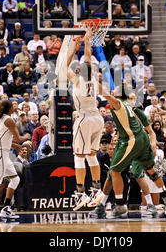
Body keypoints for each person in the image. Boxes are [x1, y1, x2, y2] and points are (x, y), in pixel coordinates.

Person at [89, 90, 166, 219]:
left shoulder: (123, 105)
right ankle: (165, 196)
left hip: (132, 141)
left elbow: (150, 131)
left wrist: (94, 81)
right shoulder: (129, 107)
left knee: (125, 174)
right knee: (115, 174)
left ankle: (121, 204)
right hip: (129, 141)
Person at [65, 29, 105, 210]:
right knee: (92, 156)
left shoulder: (78, 80)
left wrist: (76, 46)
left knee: (79, 157)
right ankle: (97, 189)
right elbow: (88, 57)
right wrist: (86, 43)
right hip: (98, 118)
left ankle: (80, 194)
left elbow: (64, 68)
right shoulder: (94, 80)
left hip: (85, 118)